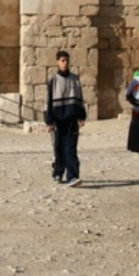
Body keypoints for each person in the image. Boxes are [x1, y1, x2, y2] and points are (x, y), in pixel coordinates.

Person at [45, 49, 87, 187]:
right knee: (59, 147)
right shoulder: (54, 81)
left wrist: (81, 116)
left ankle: (72, 176)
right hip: (58, 120)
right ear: (58, 62)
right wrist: (49, 121)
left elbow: (80, 99)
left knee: (70, 148)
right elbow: (49, 102)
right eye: (63, 60)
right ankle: (58, 172)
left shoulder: (75, 79)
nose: (65, 63)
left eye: (67, 60)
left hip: (71, 119)